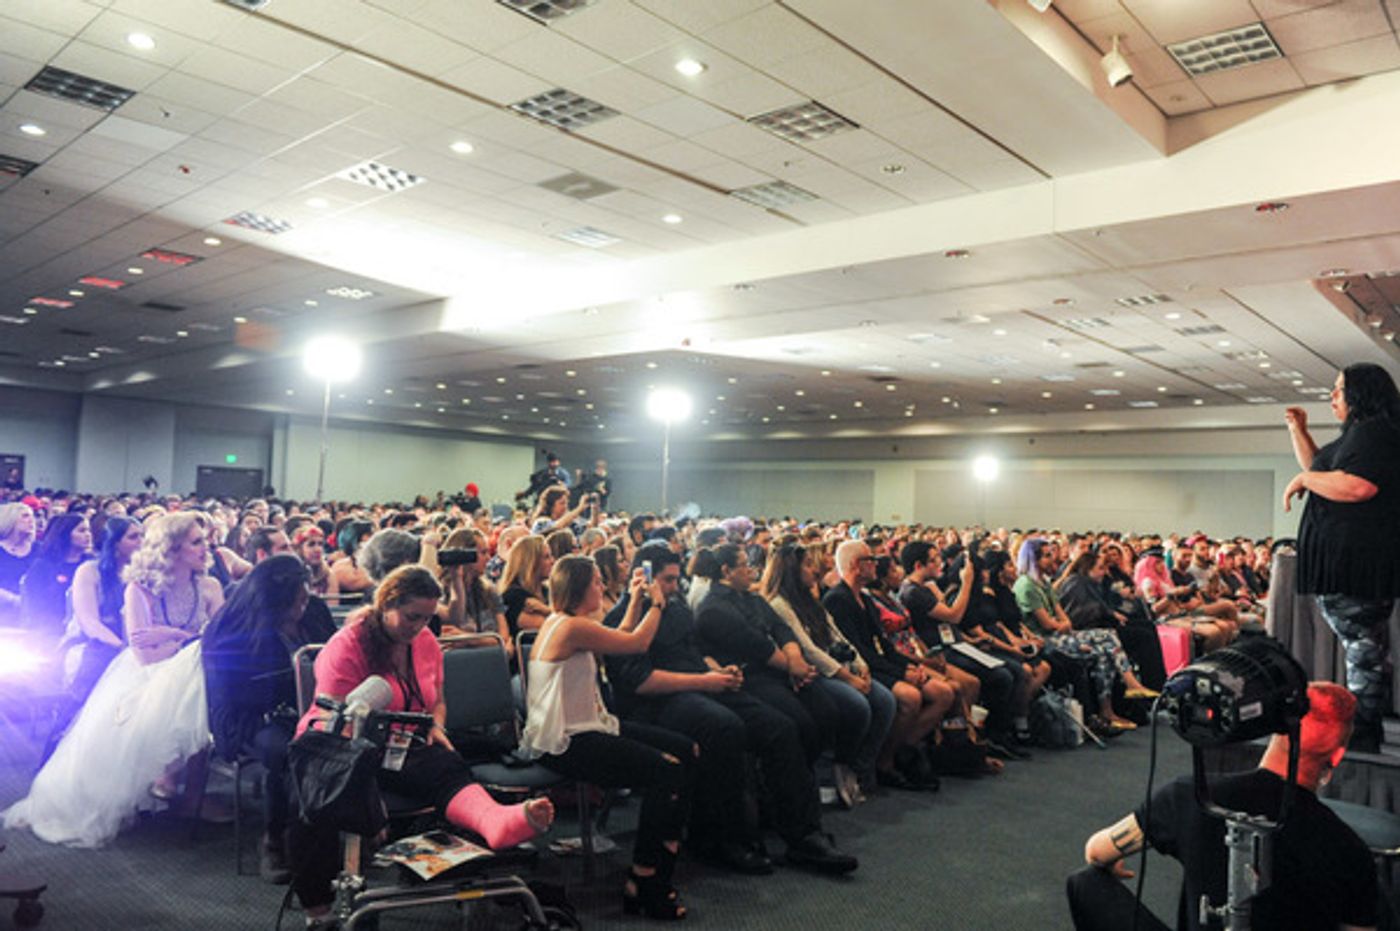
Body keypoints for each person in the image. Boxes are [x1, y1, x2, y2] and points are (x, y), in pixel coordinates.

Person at [289, 565, 553, 928]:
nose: (419, 626)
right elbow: (338, 719)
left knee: (446, 760)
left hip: (402, 741)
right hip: (338, 745)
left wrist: (437, 726)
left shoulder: (425, 641)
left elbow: (437, 699)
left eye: (428, 618)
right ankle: (318, 914)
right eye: (412, 616)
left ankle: (494, 820)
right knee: (316, 807)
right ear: (386, 604)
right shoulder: (347, 645)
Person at [603, 542, 858, 876]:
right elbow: (640, 683)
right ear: (643, 577)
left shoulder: (676, 608)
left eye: (674, 580)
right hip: (655, 703)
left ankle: (804, 836)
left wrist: (716, 670)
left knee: (780, 727)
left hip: (697, 683)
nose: (670, 588)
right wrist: (703, 681)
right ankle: (722, 840)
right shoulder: (620, 619)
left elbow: (693, 650)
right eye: (664, 580)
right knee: (724, 728)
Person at [1067, 681, 1378, 931]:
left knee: (1086, 882)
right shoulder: (1350, 849)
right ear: (1336, 757)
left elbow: (1096, 850)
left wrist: (1111, 859)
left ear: (1275, 730)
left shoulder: (1191, 794)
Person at [3, 512, 227, 847]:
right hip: (146, 675)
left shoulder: (209, 587)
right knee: (195, 681)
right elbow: (143, 652)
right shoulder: (140, 589)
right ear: (172, 548)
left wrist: (171, 637)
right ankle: (170, 779)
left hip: (190, 671)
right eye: (196, 542)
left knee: (202, 678)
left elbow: (218, 640)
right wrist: (185, 638)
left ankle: (182, 788)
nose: (205, 548)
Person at [521, 555, 696, 919]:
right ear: (580, 588)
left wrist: (634, 601)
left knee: (683, 749)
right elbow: (636, 643)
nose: (602, 586)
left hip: (590, 727)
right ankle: (645, 877)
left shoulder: (570, 623)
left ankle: (665, 849)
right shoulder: (569, 628)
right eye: (598, 581)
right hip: (568, 741)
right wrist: (657, 603)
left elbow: (618, 634)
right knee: (666, 771)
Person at [1284, 363, 1400, 752]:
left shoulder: (1374, 433)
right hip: (1350, 563)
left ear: (1361, 393)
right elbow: (1322, 469)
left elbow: (1357, 486)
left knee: (1364, 650)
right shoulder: (1359, 435)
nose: (1332, 396)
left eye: (1338, 389)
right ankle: (1365, 729)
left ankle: (1363, 734)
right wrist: (1298, 432)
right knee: (1364, 649)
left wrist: (1304, 482)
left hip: (1357, 563)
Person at [201, 555, 336, 883]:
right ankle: (275, 838)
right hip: (251, 717)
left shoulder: (315, 611)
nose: (301, 609)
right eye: (294, 603)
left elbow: (335, 656)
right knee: (288, 752)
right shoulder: (232, 630)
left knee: (347, 739)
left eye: (304, 598)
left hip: (309, 708)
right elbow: (231, 697)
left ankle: (335, 831)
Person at [762, 542, 896, 804]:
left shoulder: (809, 599)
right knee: (857, 705)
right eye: (808, 564)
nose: (815, 569)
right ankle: (835, 766)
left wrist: (861, 665)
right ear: (793, 569)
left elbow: (836, 634)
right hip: (815, 671)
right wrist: (849, 678)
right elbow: (808, 650)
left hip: (836, 665)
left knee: (885, 701)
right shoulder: (780, 604)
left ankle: (860, 767)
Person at [19, 513, 92, 644]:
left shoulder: (92, 565)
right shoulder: (43, 566)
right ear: (65, 534)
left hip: (88, 630)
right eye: (81, 530)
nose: (88, 535)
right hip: (51, 632)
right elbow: (36, 606)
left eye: (88, 530)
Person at [0, 501, 37, 625]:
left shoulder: (40, 549)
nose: (31, 520)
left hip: (34, 615)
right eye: (25, 516)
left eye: (32, 516)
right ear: (9, 520)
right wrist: (13, 599)